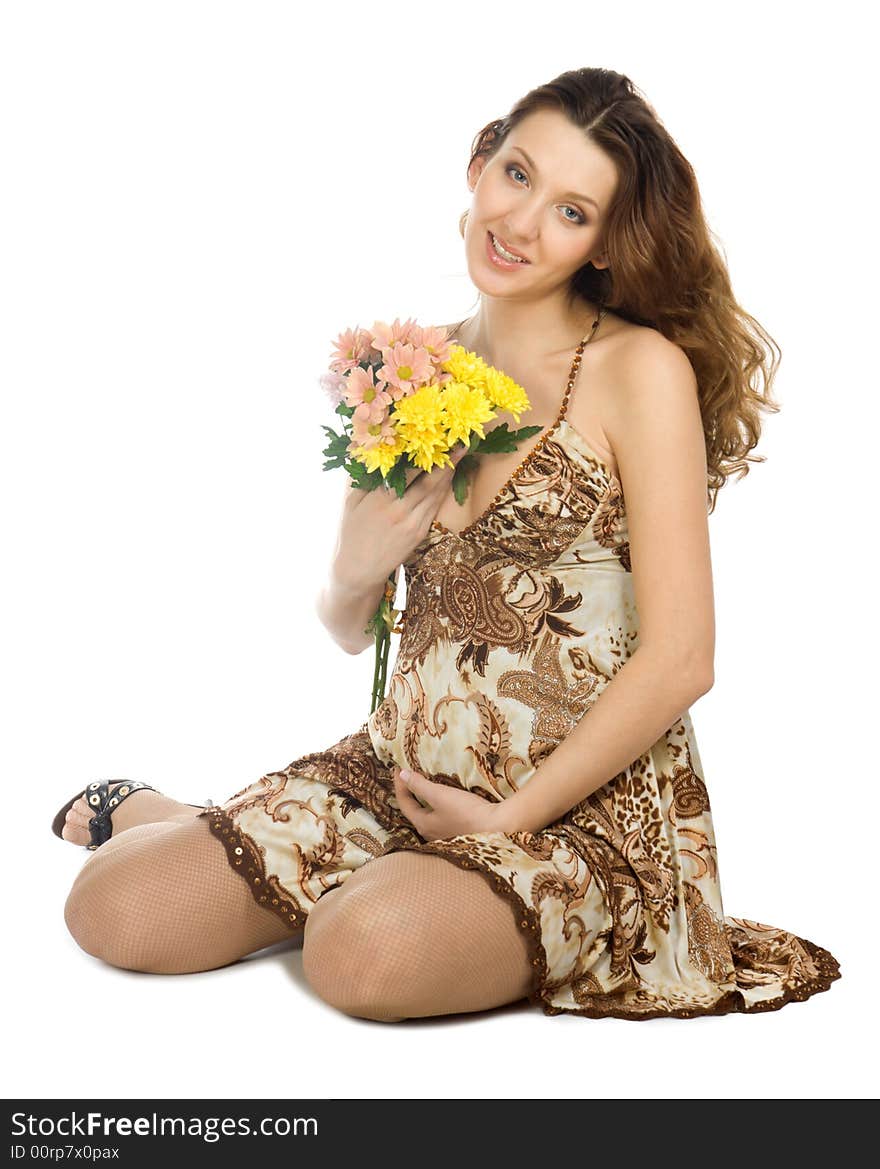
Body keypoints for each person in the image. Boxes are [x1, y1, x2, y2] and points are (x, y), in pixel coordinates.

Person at [53, 66, 841, 1022]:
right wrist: (354, 561)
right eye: (516, 174)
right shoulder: (412, 366)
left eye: (571, 210)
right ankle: (168, 813)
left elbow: (683, 658)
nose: (521, 223)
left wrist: (508, 817)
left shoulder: (640, 370)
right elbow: (353, 628)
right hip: (401, 773)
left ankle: (339, 875)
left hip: (577, 818)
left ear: (602, 243)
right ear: (478, 164)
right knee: (113, 908)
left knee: (361, 954)